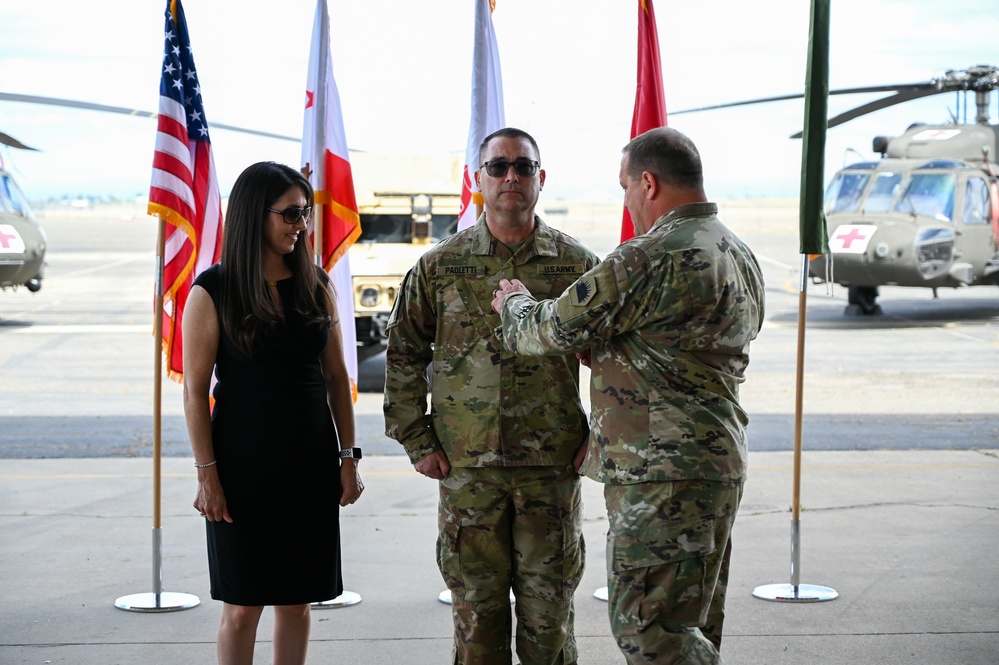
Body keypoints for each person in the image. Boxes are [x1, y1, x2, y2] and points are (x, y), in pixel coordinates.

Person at [491, 127, 765, 664]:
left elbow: (546, 331)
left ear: (648, 181)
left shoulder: (649, 254)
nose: (627, 201)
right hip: (715, 465)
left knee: (650, 633)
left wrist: (515, 303)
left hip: (659, 476)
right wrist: (622, 356)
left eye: (625, 187)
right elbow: (697, 348)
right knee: (692, 627)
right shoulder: (737, 250)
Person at [383, 127, 599, 665]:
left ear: (540, 179)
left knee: (548, 626)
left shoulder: (576, 266)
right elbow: (404, 353)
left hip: (549, 470)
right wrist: (416, 438)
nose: (511, 177)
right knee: (477, 623)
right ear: (476, 179)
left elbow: (618, 361)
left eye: (523, 168)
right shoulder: (440, 266)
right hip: (467, 470)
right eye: (498, 167)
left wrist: (601, 439)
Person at [182, 161, 364, 665]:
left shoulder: (315, 282)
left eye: (304, 213)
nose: (300, 224)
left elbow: (334, 378)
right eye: (288, 213)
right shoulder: (212, 289)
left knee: (297, 600)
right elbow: (196, 392)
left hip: (308, 457)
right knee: (242, 607)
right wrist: (207, 475)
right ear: (252, 215)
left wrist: (348, 457)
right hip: (240, 463)